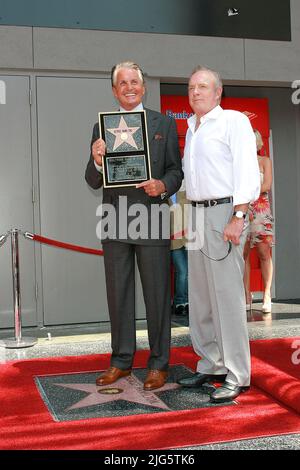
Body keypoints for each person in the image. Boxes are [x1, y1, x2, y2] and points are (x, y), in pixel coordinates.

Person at [85, 61, 182, 391]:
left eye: (134, 82)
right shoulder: (102, 127)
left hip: (152, 218)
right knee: (118, 295)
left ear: (143, 87)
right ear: (114, 90)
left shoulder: (164, 123)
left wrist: (163, 185)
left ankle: (159, 364)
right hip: (114, 220)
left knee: (157, 295)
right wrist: (97, 160)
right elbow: (92, 179)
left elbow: (176, 172)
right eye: (122, 82)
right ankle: (121, 361)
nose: (128, 87)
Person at [177, 66, 260, 402]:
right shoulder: (192, 128)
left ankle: (238, 374)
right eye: (191, 87)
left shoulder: (233, 122)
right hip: (196, 213)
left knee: (226, 298)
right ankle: (211, 363)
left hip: (225, 212)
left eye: (203, 86)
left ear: (218, 92)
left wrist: (238, 215)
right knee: (201, 298)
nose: (196, 92)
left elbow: (246, 169)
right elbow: (190, 179)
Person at [243, 129, 274, 313]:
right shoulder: (238, 164)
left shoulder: (265, 161)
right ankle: (246, 295)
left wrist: (248, 194)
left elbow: (267, 185)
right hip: (243, 209)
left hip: (261, 209)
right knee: (243, 253)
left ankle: (267, 294)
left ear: (258, 143)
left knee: (264, 252)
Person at [170, 183, 189, 316]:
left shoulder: (187, 190)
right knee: (182, 271)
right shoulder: (163, 194)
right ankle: (179, 302)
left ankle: (188, 302)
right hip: (173, 240)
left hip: (190, 238)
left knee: (188, 272)